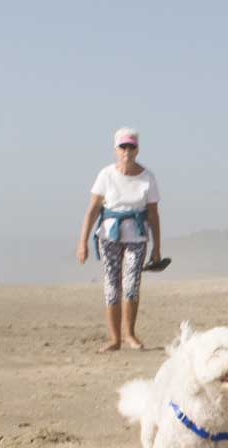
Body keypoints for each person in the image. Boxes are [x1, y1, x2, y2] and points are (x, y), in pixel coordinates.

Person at [76, 127, 162, 352]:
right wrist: (82, 242)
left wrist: (157, 248)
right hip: (109, 234)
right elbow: (92, 210)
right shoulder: (106, 175)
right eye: (123, 146)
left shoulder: (147, 177)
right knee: (112, 285)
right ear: (116, 149)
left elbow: (153, 214)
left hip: (137, 235)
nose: (127, 151)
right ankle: (114, 339)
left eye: (131, 146)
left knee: (131, 284)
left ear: (137, 149)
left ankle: (130, 335)